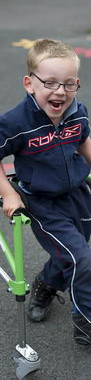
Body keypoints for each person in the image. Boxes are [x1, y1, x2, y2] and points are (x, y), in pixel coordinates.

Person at [0, 38, 91, 345]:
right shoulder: (15, 122)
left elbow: (83, 139)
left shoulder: (77, 111)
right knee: (83, 258)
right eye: (50, 83)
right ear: (29, 83)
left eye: (68, 84)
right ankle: (86, 325)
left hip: (78, 195)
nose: (60, 91)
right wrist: (10, 194)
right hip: (42, 202)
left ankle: (46, 283)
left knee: (73, 252)